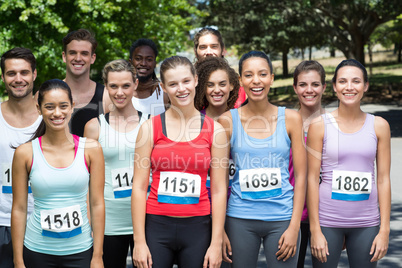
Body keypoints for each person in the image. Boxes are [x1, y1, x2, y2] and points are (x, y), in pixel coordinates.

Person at [132, 56, 229, 268]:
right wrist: (139, 241)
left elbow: (220, 190)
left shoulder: (216, 131)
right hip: (157, 226)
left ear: (195, 80)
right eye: (173, 84)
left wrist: (216, 242)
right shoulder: (149, 128)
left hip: (198, 227)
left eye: (186, 81)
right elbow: (139, 187)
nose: (181, 89)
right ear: (164, 87)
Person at [218, 51, 306, 267]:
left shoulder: (292, 119)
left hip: (282, 219)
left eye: (262, 74)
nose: (256, 81)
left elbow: (302, 176)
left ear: (272, 78)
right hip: (239, 218)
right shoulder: (227, 121)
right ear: (240, 81)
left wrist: (294, 226)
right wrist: (219, 231)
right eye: (248, 75)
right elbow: (219, 181)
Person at [11, 79, 105, 267]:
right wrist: (18, 260)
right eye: (49, 107)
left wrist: (97, 255)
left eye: (63, 106)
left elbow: (97, 204)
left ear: (72, 106)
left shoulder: (91, 149)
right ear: (39, 109)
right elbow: (19, 209)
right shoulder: (25, 153)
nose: (57, 113)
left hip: (81, 251)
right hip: (37, 250)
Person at [307, 59, 391, 267]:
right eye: (343, 81)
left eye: (356, 81)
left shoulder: (380, 126)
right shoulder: (319, 125)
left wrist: (384, 230)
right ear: (334, 87)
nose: (349, 87)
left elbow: (383, 179)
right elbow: (311, 179)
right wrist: (315, 229)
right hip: (327, 222)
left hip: (367, 223)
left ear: (365, 86)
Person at [84, 59, 148, 268]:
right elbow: (88, 181)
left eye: (126, 86)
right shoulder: (94, 127)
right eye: (113, 86)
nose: (119, 92)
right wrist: (89, 222)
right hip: (108, 223)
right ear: (106, 86)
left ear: (135, 85)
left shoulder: (150, 123)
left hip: (147, 221)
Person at [0, 47, 42, 268]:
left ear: (34, 74)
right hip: (1, 223)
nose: (18, 79)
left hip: (42, 223)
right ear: (3, 77)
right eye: (11, 73)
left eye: (24, 72)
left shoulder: (51, 120)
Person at [291, 60, 326, 267]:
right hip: (291, 215)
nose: (309, 90)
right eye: (303, 84)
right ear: (295, 87)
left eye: (315, 84)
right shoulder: (285, 124)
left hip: (324, 215)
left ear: (323, 86)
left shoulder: (334, 126)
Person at [194, 56, 239, 204]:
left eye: (222, 84)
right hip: (203, 200)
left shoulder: (242, 118)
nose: (217, 90)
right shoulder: (194, 121)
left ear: (231, 85)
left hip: (237, 201)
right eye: (210, 85)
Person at [62, 28, 111, 137]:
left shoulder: (106, 97)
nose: (78, 58)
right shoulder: (47, 93)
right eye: (72, 53)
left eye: (84, 53)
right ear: (64, 56)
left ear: (92, 58)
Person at [193, 27, 246, 108]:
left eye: (214, 46)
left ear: (223, 50)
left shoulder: (241, 90)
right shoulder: (188, 86)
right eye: (203, 47)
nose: (209, 52)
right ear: (195, 52)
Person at [129, 38, 169, 115]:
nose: (143, 63)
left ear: (154, 63)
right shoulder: (121, 93)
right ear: (130, 62)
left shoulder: (164, 93)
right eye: (138, 58)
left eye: (149, 59)